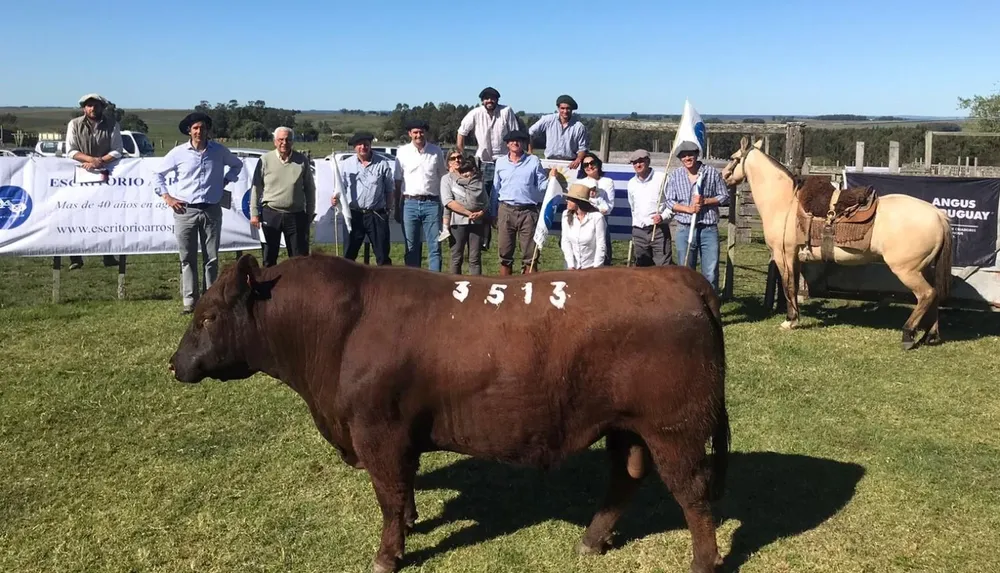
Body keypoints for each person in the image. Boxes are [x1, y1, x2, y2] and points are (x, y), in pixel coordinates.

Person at [150, 112, 243, 314]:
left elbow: (237, 165)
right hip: (185, 211)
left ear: (208, 130)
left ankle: (211, 300)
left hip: (211, 209)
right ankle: (190, 302)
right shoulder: (178, 153)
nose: (199, 131)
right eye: (195, 128)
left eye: (202, 127)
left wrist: (226, 180)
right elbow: (157, 175)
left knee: (211, 258)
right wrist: (168, 197)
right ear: (189, 131)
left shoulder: (218, 151)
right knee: (187, 257)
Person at [64, 93, 123, 269]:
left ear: (102, 107)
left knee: (105, 216)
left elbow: (118, 150)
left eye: (96, 105)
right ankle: (75, 257)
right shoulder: (74, 124)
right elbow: (70, 150)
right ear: (84, 108)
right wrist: (90, 160)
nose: (92, 108)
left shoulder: (113, 124)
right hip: (79, 176)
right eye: (89, 105)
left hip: (106, 176)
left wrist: (101, 161)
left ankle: (108, 255)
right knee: (76, 216)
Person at [665, 141, 730, 292]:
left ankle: (710, 307)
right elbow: (669, 201)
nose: (687, 158)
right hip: (684, 229)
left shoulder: (711, 173)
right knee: (686, 271)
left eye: (690, 155)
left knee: (710, 271)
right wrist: (688, 209)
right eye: (684, 156)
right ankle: (689, 304)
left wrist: (706, 201)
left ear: (696, 155)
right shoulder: (675, 176)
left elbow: (724, 196)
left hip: (708, 229)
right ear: (680, 158)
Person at [249, 126, 315, 267]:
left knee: (299, 260)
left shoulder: (302, 160)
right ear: (275, 141)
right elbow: (256, 188)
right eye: (281, 139)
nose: (284, 143)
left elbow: (310, 189)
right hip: (271, 214)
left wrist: (309, 213)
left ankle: (298, 288)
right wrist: (254, 213)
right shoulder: (265, 160)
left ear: (292, 141)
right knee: (269, 258)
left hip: (296, 215)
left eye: (288, 140)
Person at [490, 130, 548, 275]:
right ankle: (504, 288)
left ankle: (530, 289)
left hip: (528, 211)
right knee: (504, 252)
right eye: (512, 141)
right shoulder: (501, 163)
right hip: (506, 209)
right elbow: (496, 189)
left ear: (523, 143)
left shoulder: (533, 161)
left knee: (531, 254)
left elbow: (541, 185)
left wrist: (552, 180)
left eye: (519, 141)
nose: (515, 143)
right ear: (507, 144)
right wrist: (492, 212)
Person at [335, 131, 396, 265]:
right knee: (349, 255)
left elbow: (389, 190)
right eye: (360, 144)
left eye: (366, 144)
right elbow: (341, 188)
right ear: (354, 147)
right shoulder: (346, 164)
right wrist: (336, 198)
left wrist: (387, 211)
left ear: (370, 145)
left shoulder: (382, 163)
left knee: (382, 255)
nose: (363, 147)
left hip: (376, 214)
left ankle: (385, 284)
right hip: (354, 215)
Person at [395, 119, 446, 271]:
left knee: (435, 246)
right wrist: (397, 208)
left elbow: (443, 178)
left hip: (432, 204)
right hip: (409, 204)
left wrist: (444, 206)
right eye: (415, 132)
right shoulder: (402, 152)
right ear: (410, 134)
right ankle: (413, 287)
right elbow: (397, 181)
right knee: (411, 247)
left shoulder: (436, 151)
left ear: (426, 133)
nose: (419, 135)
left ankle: (435, 284)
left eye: (421, 132)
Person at [441, 154, 489, 275]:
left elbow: (486, 200)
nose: (456, 161)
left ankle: (476, 287)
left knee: (475, 258)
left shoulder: (477, 180)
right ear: (448, 163)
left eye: (459, 158)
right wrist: (469, 213)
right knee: (457, 257)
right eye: (453, 159)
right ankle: (454, 286)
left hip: (476, 222)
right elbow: (449, 202)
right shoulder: (448, 179)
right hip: (457, 222)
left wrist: (481, 212)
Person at [626, 149, 673, 267]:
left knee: (663, 268)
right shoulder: (631, 183)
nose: (638, 165)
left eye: (641, 161)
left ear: (648, 161)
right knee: (642, 269)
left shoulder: (662, 178)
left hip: (658, 230)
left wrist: (663, 217)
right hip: (639, 231)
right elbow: (633, 207)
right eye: (634, 162)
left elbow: (672, 204)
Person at [456, 87, 520, 163]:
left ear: (497, 100)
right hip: (481, 160)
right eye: (486, 98)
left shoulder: (506, 111)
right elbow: (461, 132)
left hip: (504, 159)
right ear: (482, 101)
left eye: (492, 98)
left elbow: (515, 135)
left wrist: (515, 156)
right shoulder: (475, 113)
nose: (489, 101)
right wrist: (461, 155)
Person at [527, 95, 589, 170]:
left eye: (568, 108)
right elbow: (530, 133)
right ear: (558, 108)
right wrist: (530, 152)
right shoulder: (548, 120)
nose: (565, 111)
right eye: (562, 108)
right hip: (549, 162)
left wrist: (578, 160)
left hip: (570, 164)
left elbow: (582, 148)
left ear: (572, 109)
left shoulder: (579, 127)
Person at [560, 180, 607, 269]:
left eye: (570, 199)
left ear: (578, 202)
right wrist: (571, 265)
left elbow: (601, 245)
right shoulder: (565, 215)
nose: (566, 200)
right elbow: (565, 241)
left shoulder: (597, 217)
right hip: (572, 267)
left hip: (591, 267)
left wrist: (596, 268)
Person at [579, 152, 615, 265]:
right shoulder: (579, 182)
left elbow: (609, 208)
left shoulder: (607, 182)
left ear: (598, 164)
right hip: (583, 224)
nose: (589, 166)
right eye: (586, 165)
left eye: (592, 163)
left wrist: (597, 201)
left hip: (601, 223)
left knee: (604, 255)